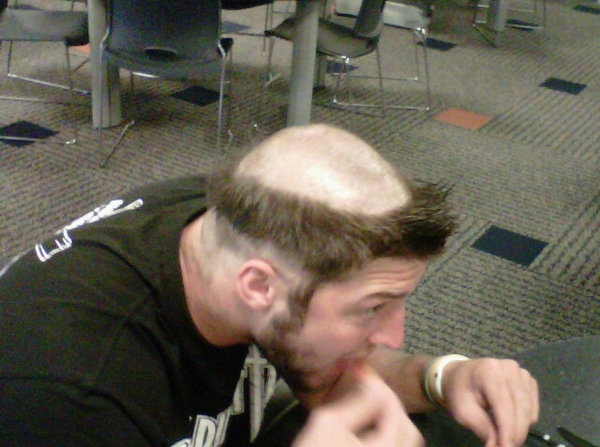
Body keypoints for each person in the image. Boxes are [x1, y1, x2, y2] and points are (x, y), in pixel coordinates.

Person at [0, 124, 538, 447]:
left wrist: (441, 377)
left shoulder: (240, 224)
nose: (395, 335)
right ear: (257, 287)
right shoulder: (72, 396)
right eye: (372, 307)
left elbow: (325, 371)